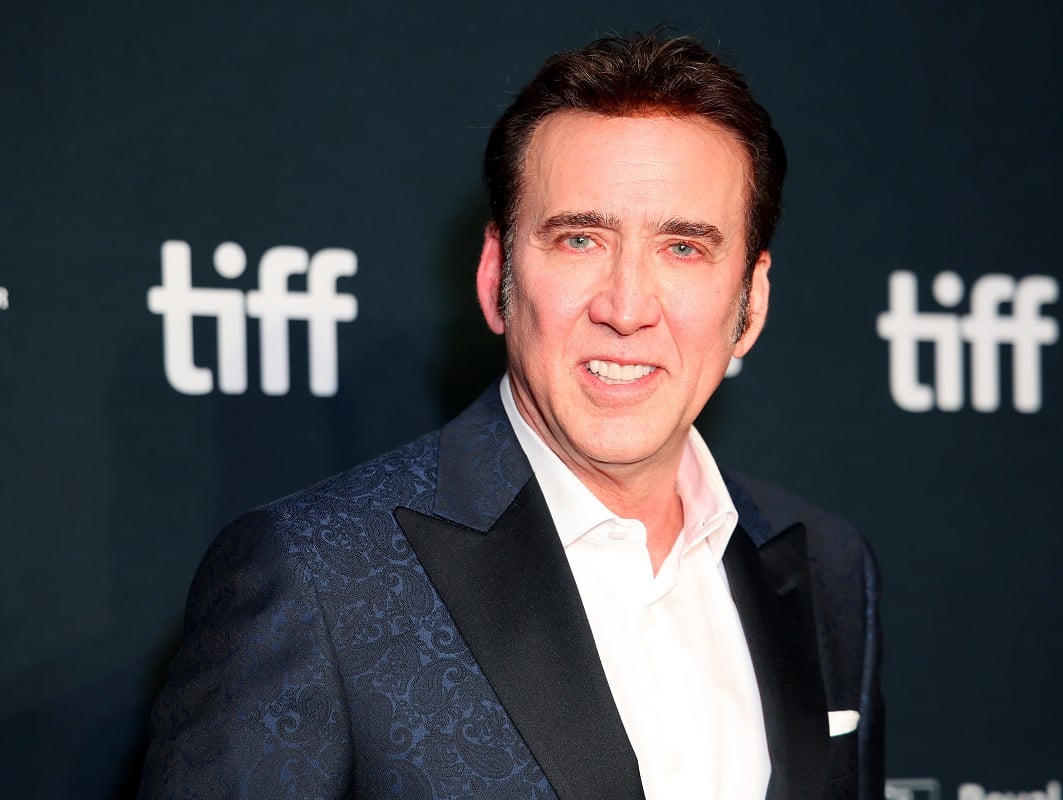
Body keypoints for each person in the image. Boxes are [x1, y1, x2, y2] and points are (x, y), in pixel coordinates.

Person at [139, 32, 883, 800]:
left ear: (752, 302)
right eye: (580, 239)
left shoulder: (827, 567)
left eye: (684, 248)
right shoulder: (319, 578)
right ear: (497, 274)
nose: (627, 307)